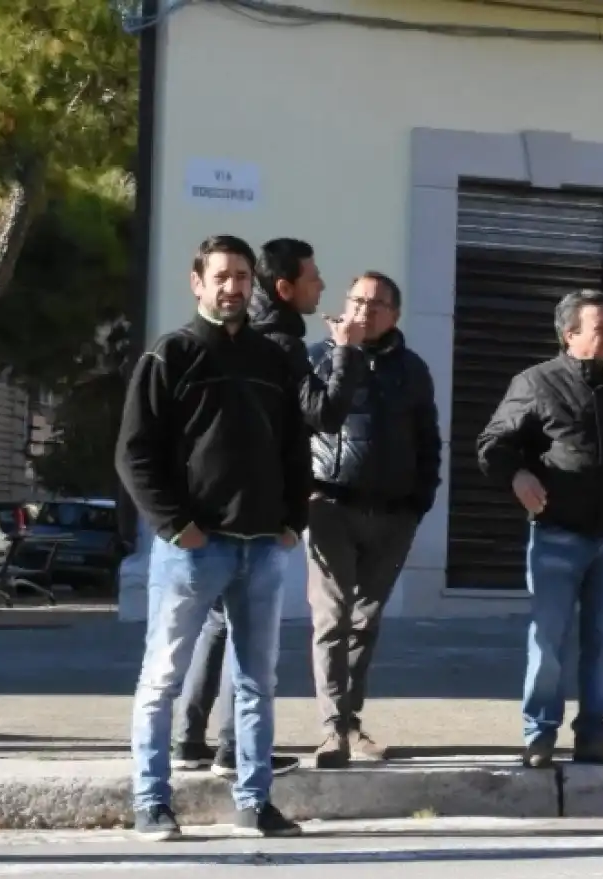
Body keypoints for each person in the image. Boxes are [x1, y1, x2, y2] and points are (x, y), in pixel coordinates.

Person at [117, 234, 313, 841]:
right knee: (163, 678)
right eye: (222, 276)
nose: (234, 287)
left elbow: (295, 447)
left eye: (243, 277)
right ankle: (152, 801)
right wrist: (177, 526)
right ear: (197, 282)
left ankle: (254, 802)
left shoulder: (273, 360)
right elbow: (134, 453)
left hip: (262, 548)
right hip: (192, 551)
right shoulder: (170, 354)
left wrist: (291, 521)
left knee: (258, 682)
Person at [173, 237, 361, 778]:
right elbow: (322, 415)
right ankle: (234, 750)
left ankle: (189, 739)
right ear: (285, 288)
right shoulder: (280, 344)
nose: (322, 286)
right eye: (313, 277)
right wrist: (345, 351)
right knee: (244, 630)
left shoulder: (253, 337)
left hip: (222, 505)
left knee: (216, 625)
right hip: (252, 511)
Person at [477, 289, 603, 769]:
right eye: (599, 328)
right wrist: (517, 475)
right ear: (570, 336)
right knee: (549, 641)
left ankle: (593, 736)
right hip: (558, 536)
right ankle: (539, 736)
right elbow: (493, 444)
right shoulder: (537, 383)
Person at [305, 272, 440, 768]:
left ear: (395, 315)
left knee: (366, 620)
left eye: (377, 304)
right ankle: (330, 730)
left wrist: (419, 501)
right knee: (332, 618)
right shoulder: (318, 357)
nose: (364, 310)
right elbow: (308, 422)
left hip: (393, 513)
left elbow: (429, 441)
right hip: (329, 506)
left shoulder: (412, 369)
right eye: (357, 300)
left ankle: (351, 721)